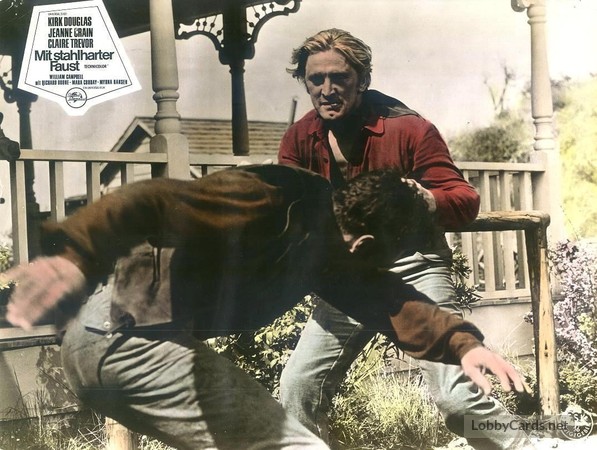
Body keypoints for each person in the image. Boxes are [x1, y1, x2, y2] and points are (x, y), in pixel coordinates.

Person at [2, 164, 527, 450]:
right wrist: (73, 255)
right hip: (125, 336)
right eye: (393, 256)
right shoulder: (272, 197)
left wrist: (463, 345)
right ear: (367, 244)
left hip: (116, 343)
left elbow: (386, 296)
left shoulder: (329, 246)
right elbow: (152, 198)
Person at [278, 28, 534, 449]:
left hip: (415, 266)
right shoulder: (299, 138)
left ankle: (525, 445)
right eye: (315, 79)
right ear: (304, 82)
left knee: (456, 399)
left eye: (339, 78)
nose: (327, 89)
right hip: (347, 276)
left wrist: (427, 200)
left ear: (363, 79)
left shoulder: (409, 128)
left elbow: (464, 198)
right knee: (297, 390)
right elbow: (290, 212)